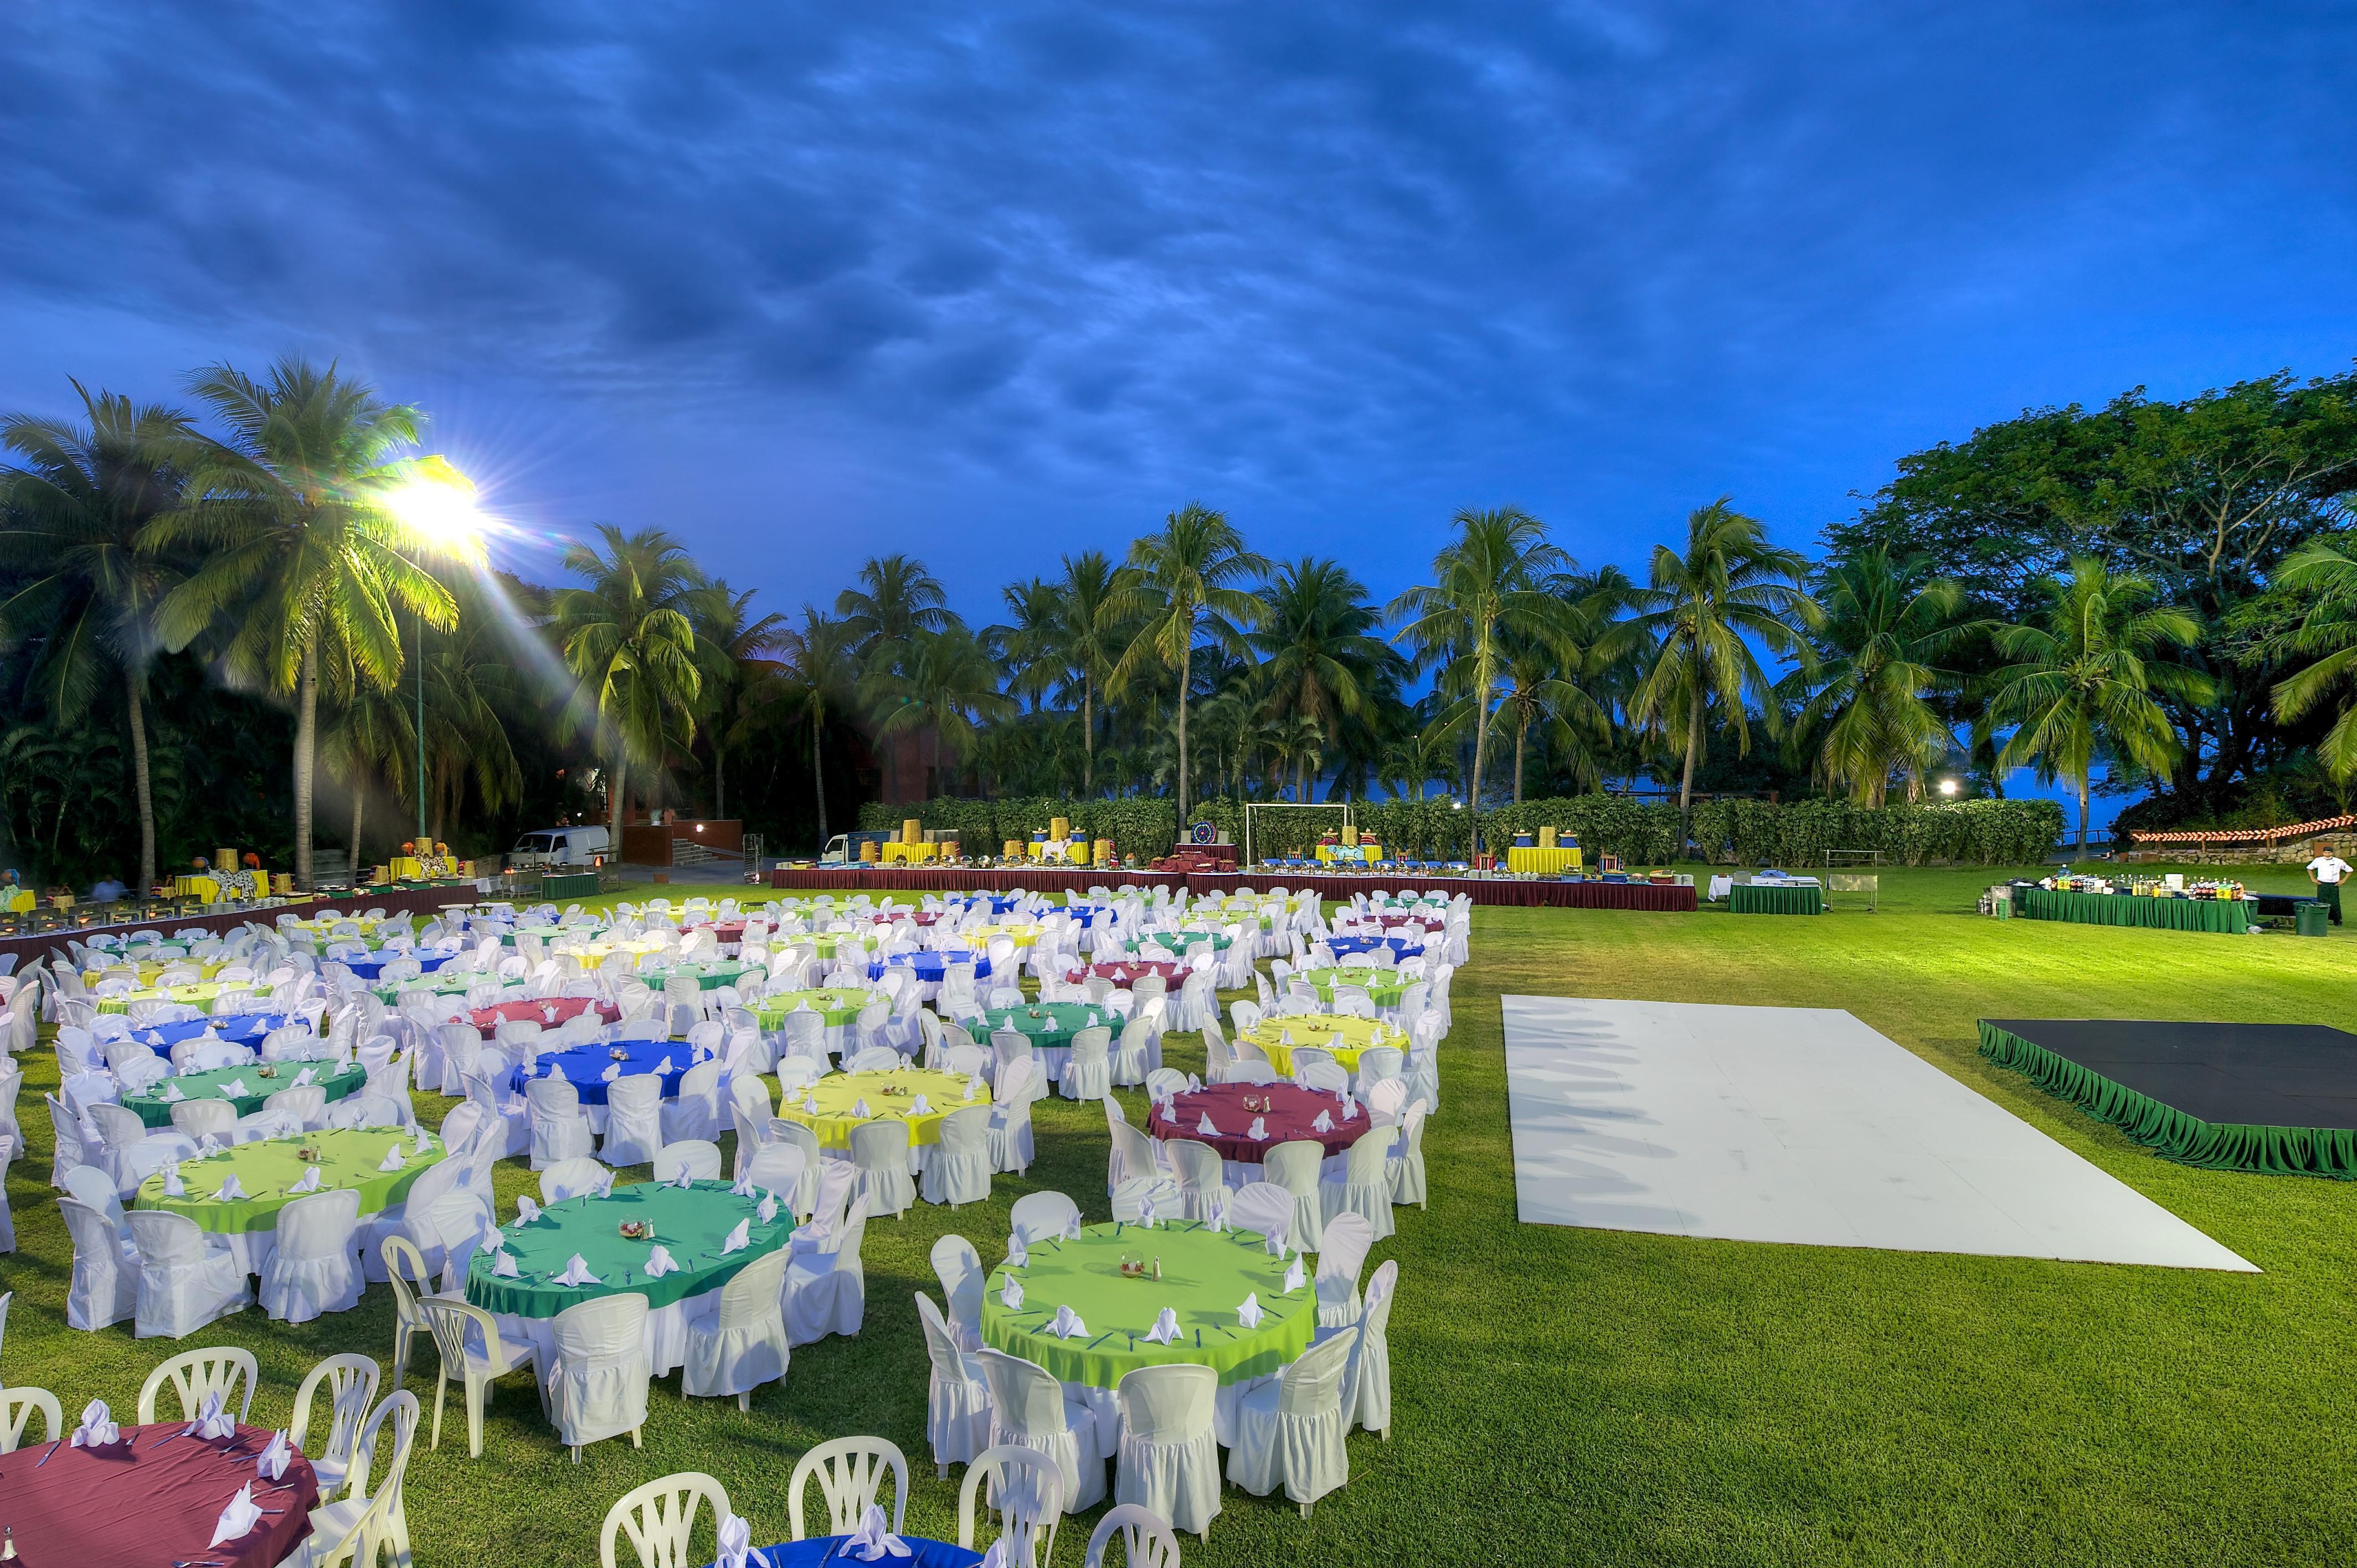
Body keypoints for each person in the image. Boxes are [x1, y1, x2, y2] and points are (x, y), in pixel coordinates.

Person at [2305, 848, 2352, 926]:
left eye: (2329, 853)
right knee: (2321, 902)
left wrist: (2343, 881)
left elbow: (2350, 870)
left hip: (2333, 885)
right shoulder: (2318, 860)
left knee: (2335, 903)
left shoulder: (2338, 862)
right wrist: (2313, 879)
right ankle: (2321, 919)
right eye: (2326, 853)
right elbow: (2309, 868)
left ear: (2332, 853)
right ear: (2323, 853)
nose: (2327, 854)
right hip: (2322, 884)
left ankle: (2337, 920)